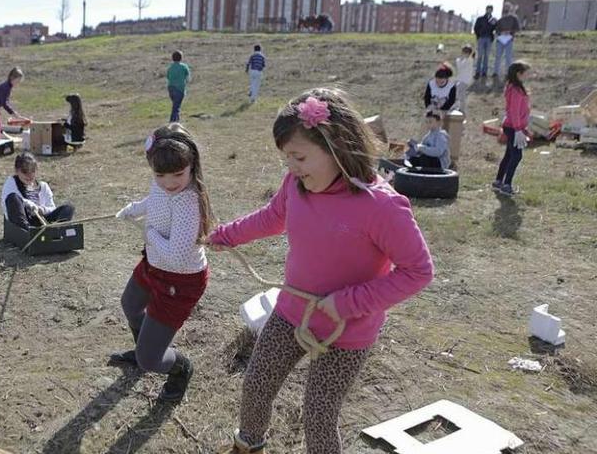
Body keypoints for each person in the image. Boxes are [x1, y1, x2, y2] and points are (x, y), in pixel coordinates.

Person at [210, 88, 434, 454]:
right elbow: (271, 217)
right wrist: (228, 235)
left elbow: (418, 271)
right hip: (290, 314)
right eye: (286, 159)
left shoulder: (381, 207)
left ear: (336, 145)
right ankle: (248, 445)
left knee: (318, 415)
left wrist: (348, 303)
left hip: (346, 332)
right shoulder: (295, 187)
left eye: (299, 156)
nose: (292, 168)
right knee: (256, 384)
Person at [112, 123, 214, 403]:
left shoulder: (189, 201)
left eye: (178, 175)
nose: (169, 183)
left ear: (192, 164)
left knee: (149, 359)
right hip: (154, 265)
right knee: (130, 305)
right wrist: (134, 209)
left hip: (180, 281)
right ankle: (146, 349)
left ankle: (179, 368)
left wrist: (151, 234)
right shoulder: (163, 183)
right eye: (160, 175)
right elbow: (154, 199)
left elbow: (177, 254)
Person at [1, 152, 75, 229]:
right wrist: (29, 204)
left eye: (32, 171)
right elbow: (10, 202)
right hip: (25, 220)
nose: (29, 175)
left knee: (69, 207)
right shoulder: (11, 182)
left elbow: (51, 208)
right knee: (13, 198)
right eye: (24, 172)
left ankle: (57, 231)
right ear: (17, 171)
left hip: (42, 219)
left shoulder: (43, 186)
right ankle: (28, 231)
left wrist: (41, 210)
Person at [493, 61, 531, 197]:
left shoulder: (516, 87)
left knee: (509, 154)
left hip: (513, 126)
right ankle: (507, 184)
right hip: (513, 127)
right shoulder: (515, 90)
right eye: (526, 73)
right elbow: (514, 111)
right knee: (517, 155)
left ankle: (498, 181)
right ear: (518, 73)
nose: (527, 75)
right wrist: (518, 129)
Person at [493, 4, 521, 80]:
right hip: (500, 40)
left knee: (508, 57)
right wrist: (501, 32)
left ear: (510, 9)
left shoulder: (514, 18)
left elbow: (517, 28)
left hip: (509, 39)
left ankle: (508, 74)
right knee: (498, 57)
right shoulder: (500, 19)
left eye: (508, 7)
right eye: (505, 7)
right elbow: (496, 29)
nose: (506, 9)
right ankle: (495, 73)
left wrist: (509, 31)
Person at [166, 51, 191, 122]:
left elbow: (168, 77)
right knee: (176, 107)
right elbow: (188, 78)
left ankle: (177, 120)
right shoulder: (184, 66)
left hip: (170, 88)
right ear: (181, 58)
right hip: (179, 88)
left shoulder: (170, 67)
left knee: (176, 105)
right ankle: (172, 121)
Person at [473, 5, 497, 80]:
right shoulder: (480, 19)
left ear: (492, 11)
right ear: (486, 10)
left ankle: (484, 72)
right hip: (481, 38)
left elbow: (495, 28)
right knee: (480, 56)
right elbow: (476, 28)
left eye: (490, 10)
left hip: (489, 39)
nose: (489, 11)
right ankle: (477, 72)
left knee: (486, 56)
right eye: (488, 9)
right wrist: (478, 36)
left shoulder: (493, 19)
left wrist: (494, 25)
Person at [455, 45, 475, 114]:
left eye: (463, 52)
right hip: (462, 80)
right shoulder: (467, 60)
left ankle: (462, 109)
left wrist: (458, 61)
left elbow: (460, 67)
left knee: (461, 95)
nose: (462, 54)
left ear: (467, 53)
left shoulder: (468, 60)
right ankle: (460, 107)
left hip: (465, 81)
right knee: (459, 94)